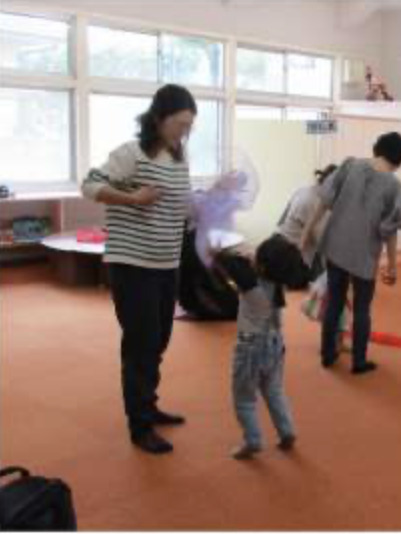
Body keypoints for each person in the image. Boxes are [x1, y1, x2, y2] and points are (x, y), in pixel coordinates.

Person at [81, 84, 197, 454]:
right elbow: (89, 185)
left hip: (167, 263)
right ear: (160, 118)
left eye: (190, 126)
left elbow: (182, 208)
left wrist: (210, 200)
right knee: (141, 344)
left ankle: (148, 404)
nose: (184, 132)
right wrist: (132, 198)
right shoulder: (131, 153)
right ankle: (140, 425)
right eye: (180, 123)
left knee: (159, 339)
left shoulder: (180, 158)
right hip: (133, 265)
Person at [300, 132, 401, 375]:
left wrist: (306, 232)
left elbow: (324, 201)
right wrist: (391, 266)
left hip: (336, 246)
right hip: (365, 255)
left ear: (376, 148)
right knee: (362, 309)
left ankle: (328, 355)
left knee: (335, 302)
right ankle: (359, 362)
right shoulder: (396, 188)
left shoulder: (349, 165)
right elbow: (390, 231)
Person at [212, 235, 310, 460]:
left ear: (262, 264)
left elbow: (229, 262)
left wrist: (216, 250)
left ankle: (253, 440)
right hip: (275, 345)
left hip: (250, 347)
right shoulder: (276, 285)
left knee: (244, 398)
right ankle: (287, 431)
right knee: (274, 390)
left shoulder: (252, 285)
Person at [276, 164, 338, 277]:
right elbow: (319, 240)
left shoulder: (303, 190)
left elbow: (281, 220)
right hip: (291, 253)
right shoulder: (315, 201)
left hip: (278, 242)